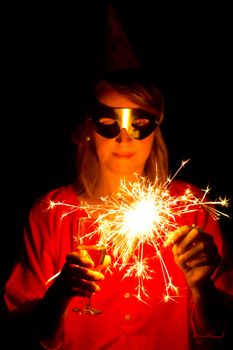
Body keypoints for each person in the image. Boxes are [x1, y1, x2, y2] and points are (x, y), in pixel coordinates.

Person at [4, 68, 233, 349]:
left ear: (156, 128)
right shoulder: (52, 213)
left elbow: (217, 329)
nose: (124, 138)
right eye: (108, 121)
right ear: (88, 128)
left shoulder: (191, 207)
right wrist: (57, 298)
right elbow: (22, 329)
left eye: (139, 122)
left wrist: (202, 287)